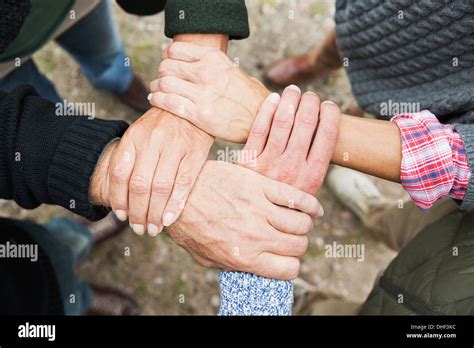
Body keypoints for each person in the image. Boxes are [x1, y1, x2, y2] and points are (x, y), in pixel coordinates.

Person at [147, 0, 474, 315]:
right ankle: (375, 212)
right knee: (413, 222)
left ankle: (304, 304)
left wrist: (275, 117)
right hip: (392, 40)